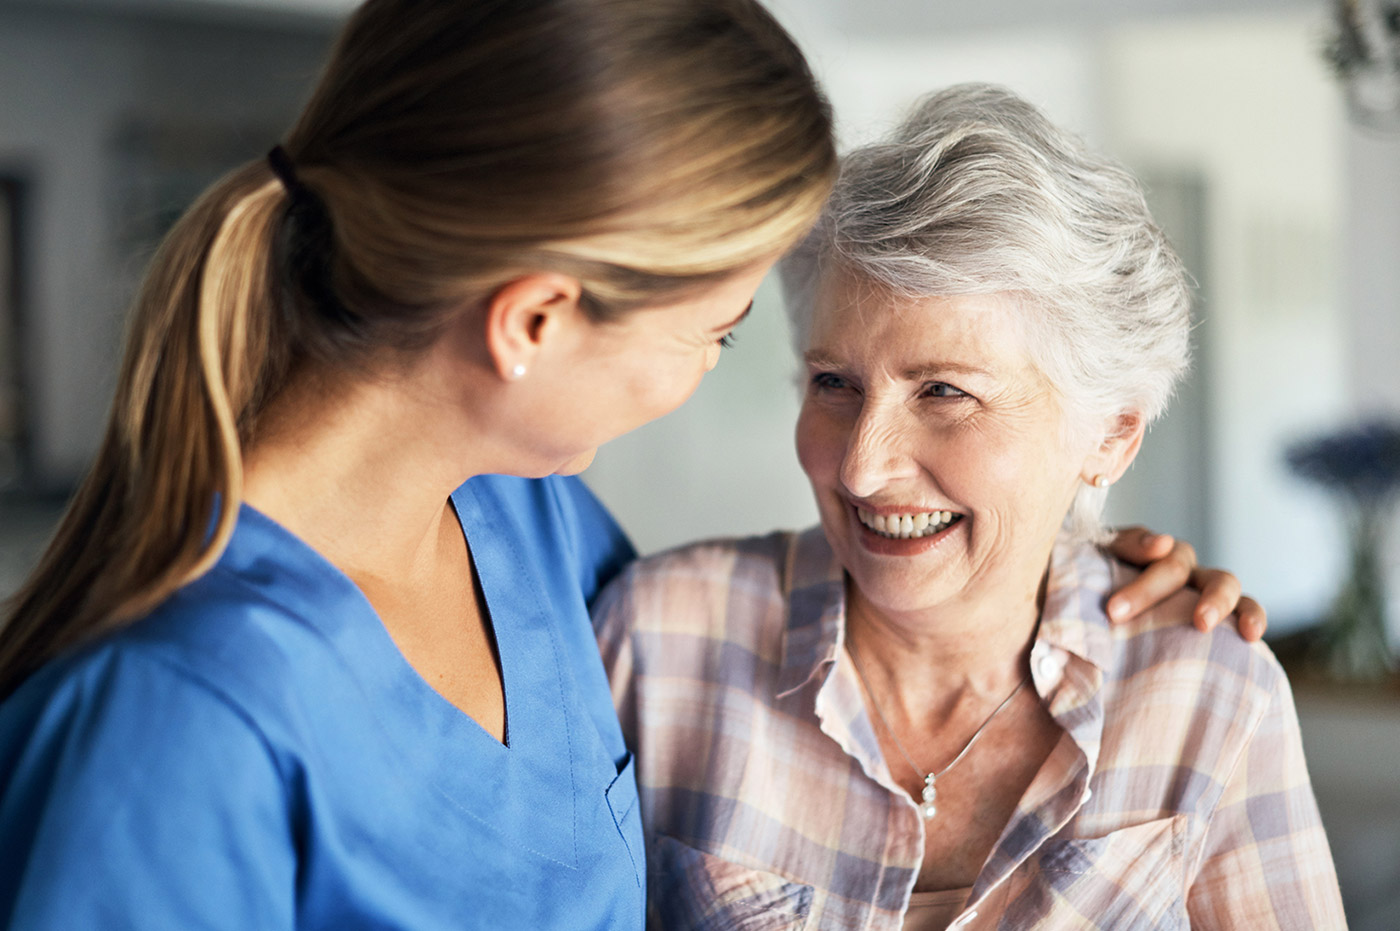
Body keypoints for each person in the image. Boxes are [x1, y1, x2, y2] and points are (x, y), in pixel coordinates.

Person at [0, 1, 1254, 924]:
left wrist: (1071, 559)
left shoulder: (535, 532)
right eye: (715, 333)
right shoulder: (170, 718)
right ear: (535, 321)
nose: (864, 460)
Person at [594, 84, 1342, 929]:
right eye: (834, 383)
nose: (863, 469)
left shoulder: (1207, 690)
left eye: (945, 391)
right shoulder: (660, 640)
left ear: (1111, 435)